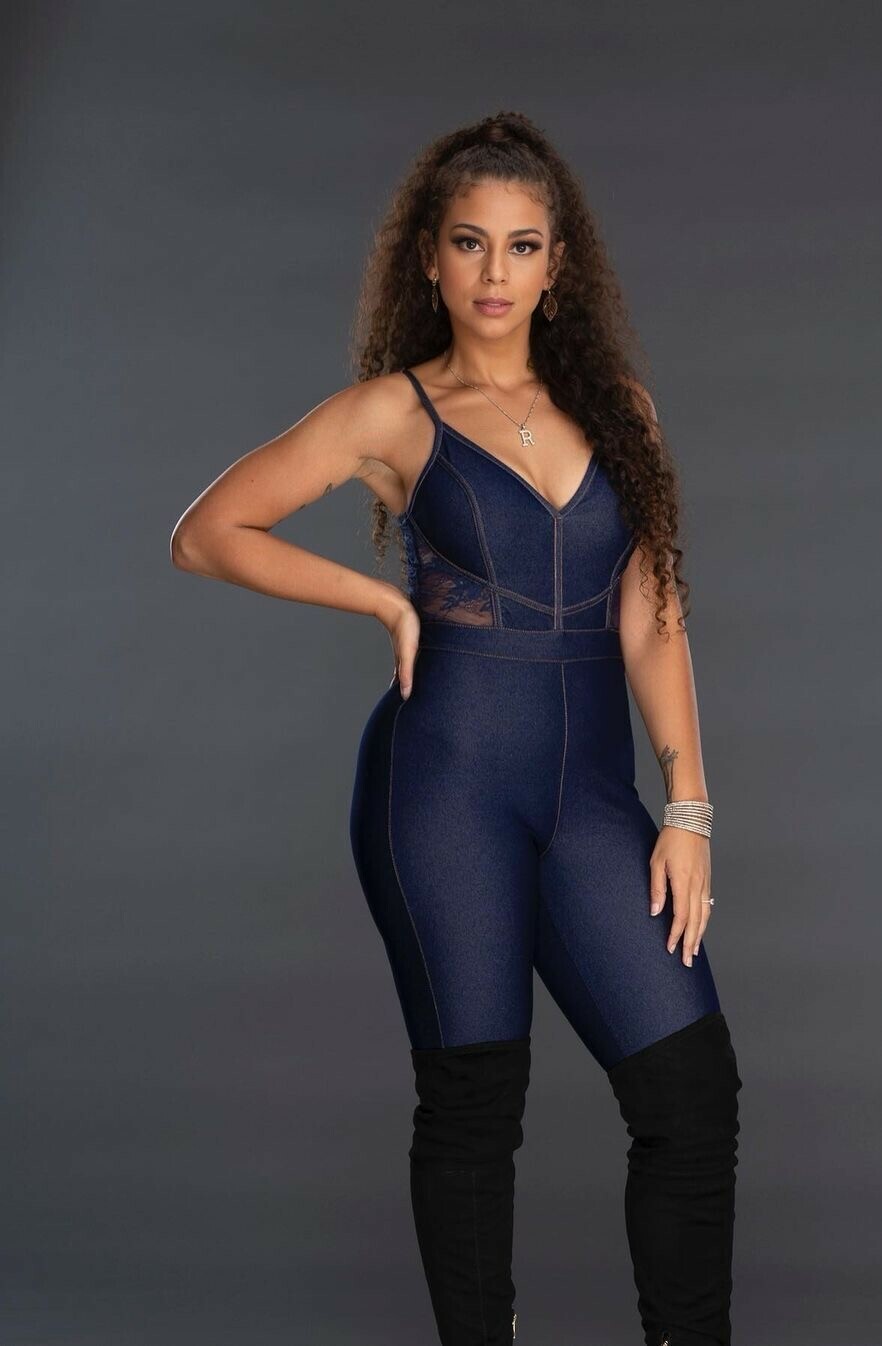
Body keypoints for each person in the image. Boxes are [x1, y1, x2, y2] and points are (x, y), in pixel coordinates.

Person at [170, 110, 743, 1346]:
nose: (495, 272)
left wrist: (688, 804)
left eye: (522, 245)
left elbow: (653, 616)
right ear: (428, 259)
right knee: (477, 1103)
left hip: (589, 799)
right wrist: (380, 598)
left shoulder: (621, 411)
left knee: (691, 1097)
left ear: (557, 266)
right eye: (470, 242)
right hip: (443, 789)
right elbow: (206, 531)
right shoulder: (395, 413)